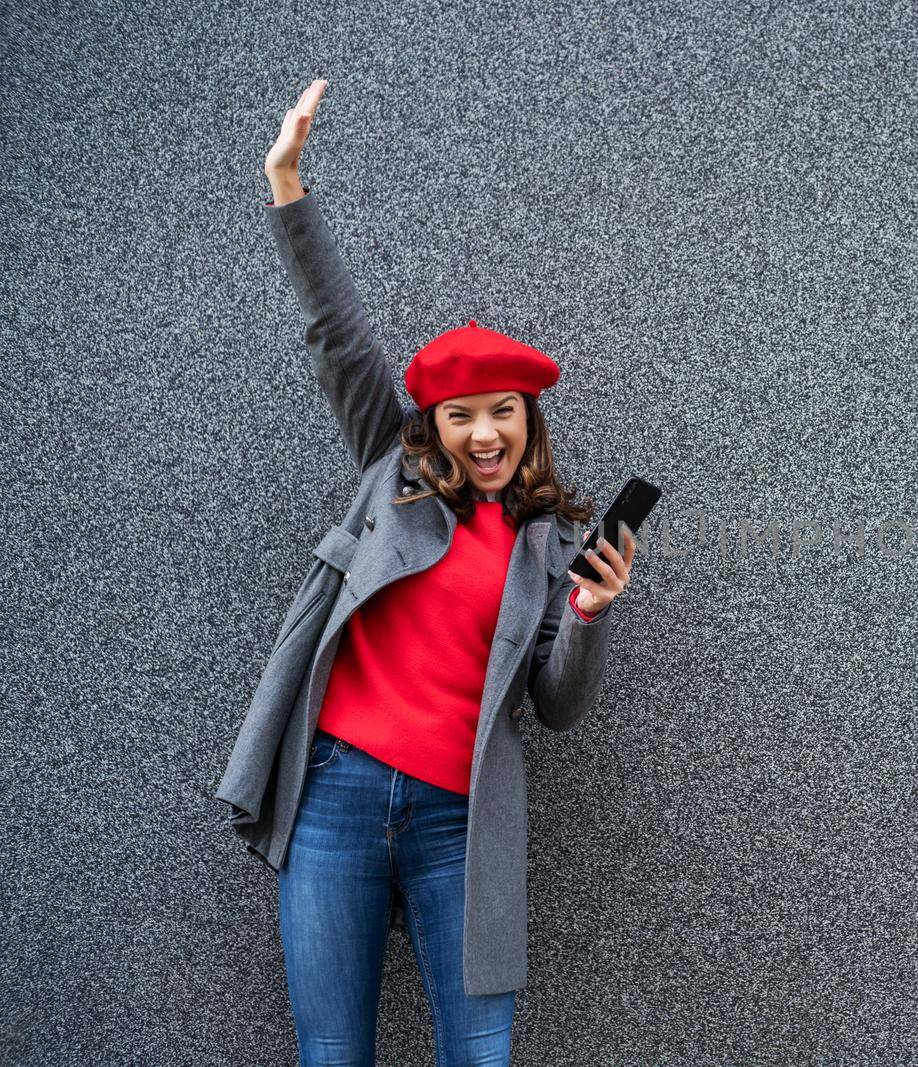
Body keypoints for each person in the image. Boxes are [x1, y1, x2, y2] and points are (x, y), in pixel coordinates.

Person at [217, 78, 638, 1067]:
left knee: (478, 1055)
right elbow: (338, 333)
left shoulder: (547, 539)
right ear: (430, 426)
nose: (483, 430)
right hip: (338, 794)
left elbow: (557, 704)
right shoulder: (387, 471)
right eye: (460, 414)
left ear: (527, 419)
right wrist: (287, 182)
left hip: (463, 816)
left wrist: (588, 609)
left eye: (503, 410)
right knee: (332, 1052)